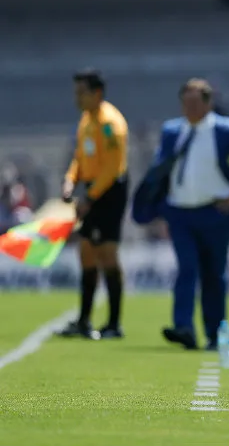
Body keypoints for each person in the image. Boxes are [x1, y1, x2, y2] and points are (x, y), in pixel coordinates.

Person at [132, 78, 229, 350]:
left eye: (195, 102)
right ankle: (183, 327)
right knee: (187, 268)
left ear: (208, 103)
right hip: (179, 212)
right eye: (186, 102)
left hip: (215, 212)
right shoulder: (172, 131)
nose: (190, 108)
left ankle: (214, 334)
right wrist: (157, 205)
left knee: (214, 274)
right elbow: (161, 169)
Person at [58, 69, 129, 340]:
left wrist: (90, 197)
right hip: (92, 189)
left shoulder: (110, 123)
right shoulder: (86, 119)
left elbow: (112, 167)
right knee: (86, 252)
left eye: (81, 92)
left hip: (108, 192)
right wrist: (70, 180)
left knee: (107, 254)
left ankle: (114, 324)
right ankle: (84, 321)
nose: (77, 98)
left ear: (97, 93)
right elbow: (80, 157)